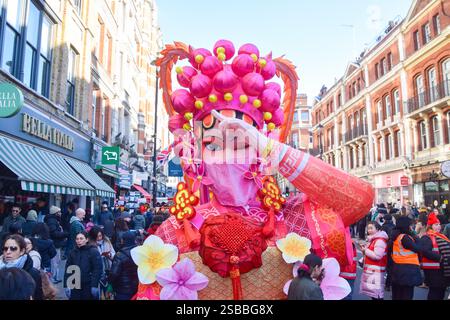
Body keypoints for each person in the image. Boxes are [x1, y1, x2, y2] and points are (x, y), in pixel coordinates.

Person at [389, 216, 423, 300]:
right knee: (406, 295)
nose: (411, 227)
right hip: (408, 271)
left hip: (397, 269)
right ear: (406, 226)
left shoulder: (395, 236)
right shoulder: (405, 238)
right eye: (410, 225)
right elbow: (418, 248)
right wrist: (415, 235)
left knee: (397, 295)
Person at [0, 234, 43, 299]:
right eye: (5, 249)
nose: (8, 252)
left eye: (13, 249)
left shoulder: (32, 273)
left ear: (22, 251)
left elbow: (37, 296)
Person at [419, 212, 450, 300]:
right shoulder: (427, 237)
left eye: (439, 224)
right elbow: (425, 251)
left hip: (441, 270)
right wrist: (440, 257)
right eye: (436, 224)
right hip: (434, 271)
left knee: (441, 292)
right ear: (430, 226)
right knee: (435, 293)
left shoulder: (441, 236)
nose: (439, 226)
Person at [63, 231, 102, 300]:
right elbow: (68, 269)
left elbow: (97, 269)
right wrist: (66, 285)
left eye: (81, 238)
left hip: (88, 284)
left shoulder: (93, 251)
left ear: (86, 239)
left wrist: (94, 285)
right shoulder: (73, 252)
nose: (79, 241)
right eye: (77, 239)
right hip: (75, 285)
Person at [359, 221, 388, 300]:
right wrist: (364, 250)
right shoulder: (374, 239)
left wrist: (365, 250)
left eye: (371, 228)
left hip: (376, 271)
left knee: (377, 294)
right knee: (374, 294)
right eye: (368, 228)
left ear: (378, 229)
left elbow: (377, 256)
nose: (369, 230)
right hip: (373, 270)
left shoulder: (379, 241)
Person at [109, 231, 139, 300]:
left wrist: (109, 282)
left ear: (123, 240)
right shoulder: (139, 253)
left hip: (121, 289)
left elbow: (114, 273)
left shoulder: (120, 255)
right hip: (136, 288)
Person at [44, 206, 68, 283]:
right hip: (55, 244)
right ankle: (52, 278)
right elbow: (54, 233)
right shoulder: (52, 221)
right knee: (54, 262)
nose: (60, 213)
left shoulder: (53, 220)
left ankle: (54, 277)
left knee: (56, 261)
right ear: (55, 213)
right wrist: (64, 234)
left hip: (55, 243)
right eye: (59, 212)